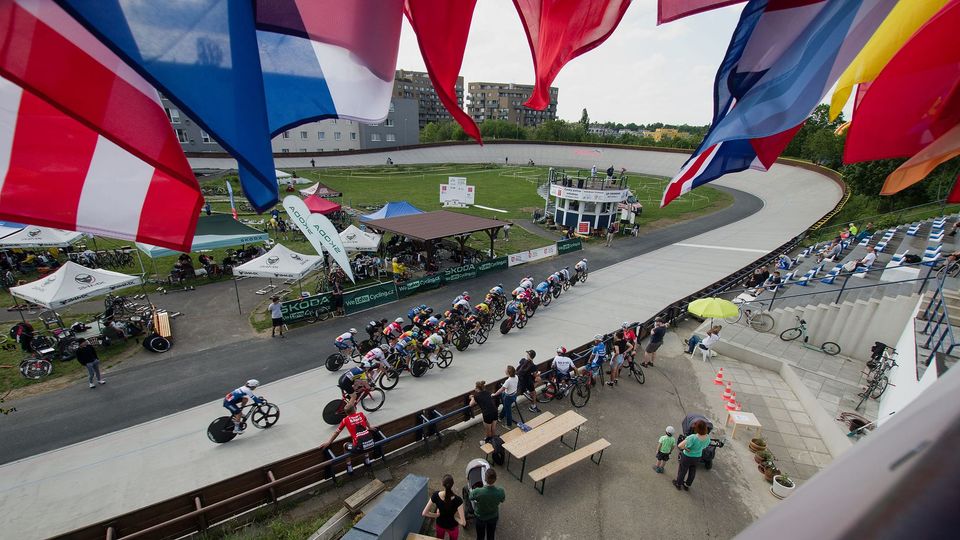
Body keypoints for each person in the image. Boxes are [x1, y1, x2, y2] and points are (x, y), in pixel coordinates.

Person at [320, 403, 379, 474]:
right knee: (364, 438)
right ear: (354, 409)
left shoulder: (345, 420)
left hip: (359, 448)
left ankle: (349, 467)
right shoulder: (361, 414)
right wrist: (369, 427)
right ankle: (367, 461)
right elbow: (366, 422)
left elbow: (337, 432)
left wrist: (329, 442)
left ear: (346, 413)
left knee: (345, 445)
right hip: (371, 443)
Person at [423, 474, 465, 539]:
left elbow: (424, 513)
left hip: (440, 525)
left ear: (442, 484)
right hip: (452, 527)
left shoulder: (436, 495)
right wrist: (455, 517)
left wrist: (436, 515)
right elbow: (463, 523)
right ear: (452, 484)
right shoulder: (458, 500)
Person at [674, 419, 711, 490]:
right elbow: (705, 446)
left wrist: (686, 449)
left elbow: (680, 446)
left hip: (687, 457)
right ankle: (687, 485)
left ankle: (678, 483)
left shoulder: (692, 437)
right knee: (692, 471)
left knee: (682, 470)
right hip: (697, 457)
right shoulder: (707, 438)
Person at [469, 468, 505, 540]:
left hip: (480, 517)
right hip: (493, 516)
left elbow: (470, 497)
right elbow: (502, 500)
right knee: (491, 536)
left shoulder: (478, 491)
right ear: (495, 479)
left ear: (485, 479)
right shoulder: (500, 491)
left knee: (480, 537)